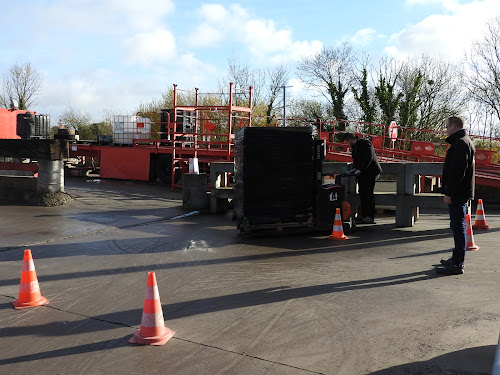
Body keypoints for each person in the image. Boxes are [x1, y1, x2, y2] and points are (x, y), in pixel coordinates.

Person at [436, 116, 475, 275]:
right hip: (462, 192)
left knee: (458, 227)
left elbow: (457, 172)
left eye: (446, 126)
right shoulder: (466, 141)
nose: (446, 129)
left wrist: (448, 192)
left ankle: (457, 263)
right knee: (458, 226)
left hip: (457, 193)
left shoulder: (460, 144)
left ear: (453, 126)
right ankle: (456, 259)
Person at [343, 133, 382, 224]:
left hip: (370, 172)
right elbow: (356, 160)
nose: (348, 144)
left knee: (368, 193)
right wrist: (355, 169)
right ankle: (363, 215)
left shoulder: (365, 143)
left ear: (350, 140)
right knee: (362, 193)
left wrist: (360, 169)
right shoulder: (356, 146)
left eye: (348, 142)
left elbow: (369, 158)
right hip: (362, 173)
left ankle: (369, 216)